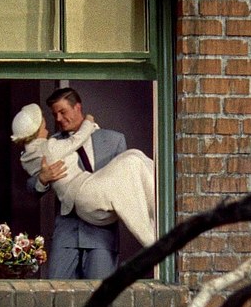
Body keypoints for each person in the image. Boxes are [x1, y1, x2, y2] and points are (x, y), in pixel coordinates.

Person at [11, 89, 156, 279]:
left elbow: (128, 188)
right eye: (54, 114)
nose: (58, 119)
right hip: (67, 233)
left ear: (77, 107)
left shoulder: (114, 139)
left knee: (100, 292)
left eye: (63, 112)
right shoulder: (52, 143)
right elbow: (31, 187)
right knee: (57, 290)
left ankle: (159, 225)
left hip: (101, 236)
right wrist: (42, 179)